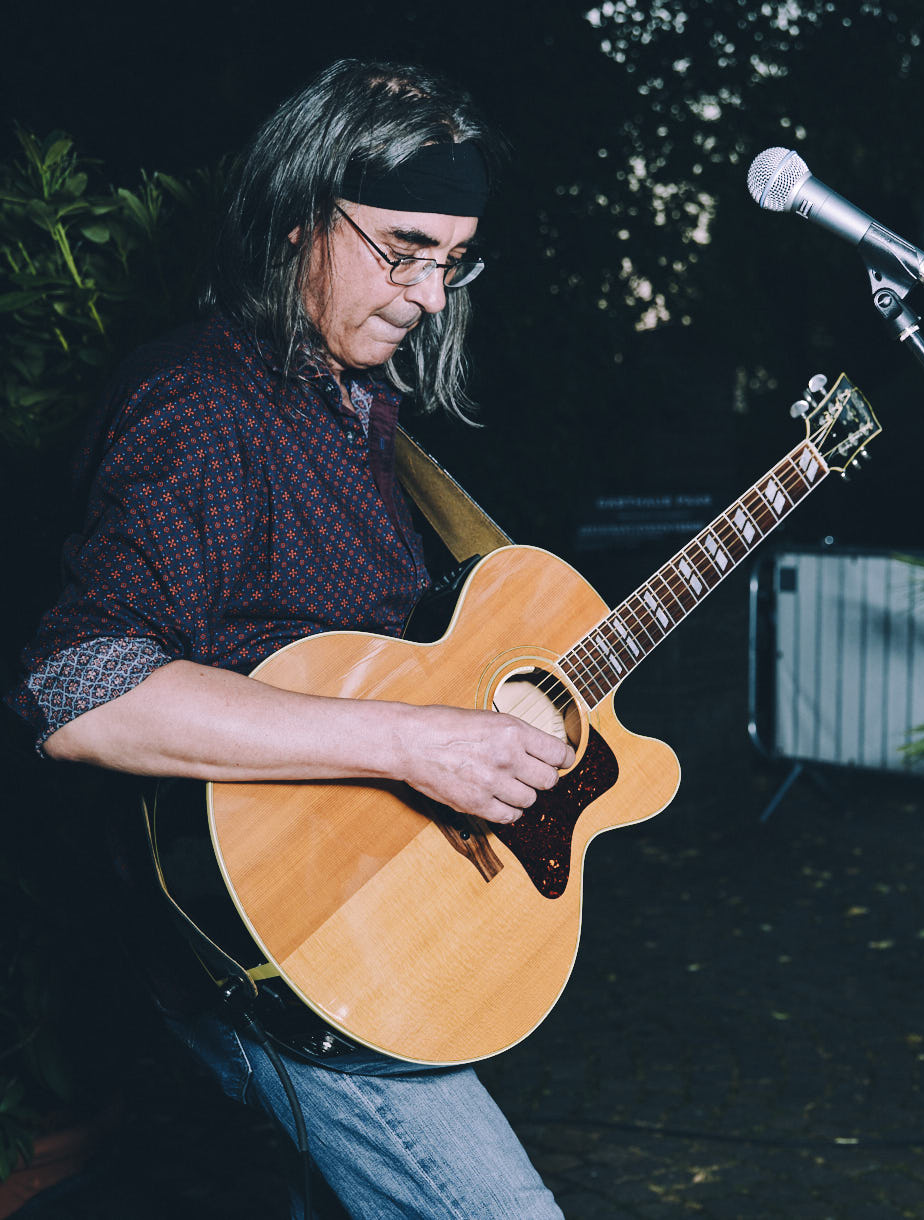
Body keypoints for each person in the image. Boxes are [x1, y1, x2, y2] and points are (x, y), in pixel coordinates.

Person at [7, 59, 571, 1219]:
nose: (427, 293)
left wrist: (474, 719)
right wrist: (415, 742)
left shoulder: (357, 406)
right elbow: (79, 690)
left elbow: (359, 651)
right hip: (259, 963)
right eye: (402, 247)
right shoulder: (203, 404)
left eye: (452, 261)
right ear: (298, 212)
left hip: (363, 920)